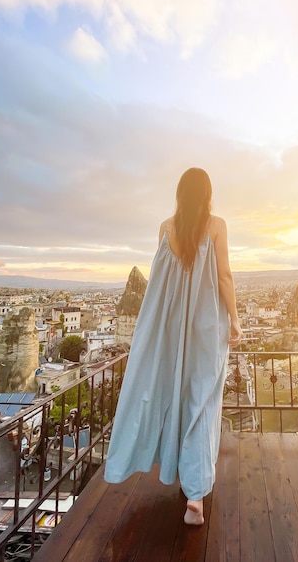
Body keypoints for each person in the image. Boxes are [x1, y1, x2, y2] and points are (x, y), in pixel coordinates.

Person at [104, 167, 242, 526]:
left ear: (180, 194)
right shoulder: (217, 225)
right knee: (202, 402)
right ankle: (194, 497)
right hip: (207, 327)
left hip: (171, 328)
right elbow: (224, 274)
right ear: (207, 194)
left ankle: (156, 466)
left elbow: (163, 283)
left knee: (167, 394)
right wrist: (236, 319)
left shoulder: (166, 227)